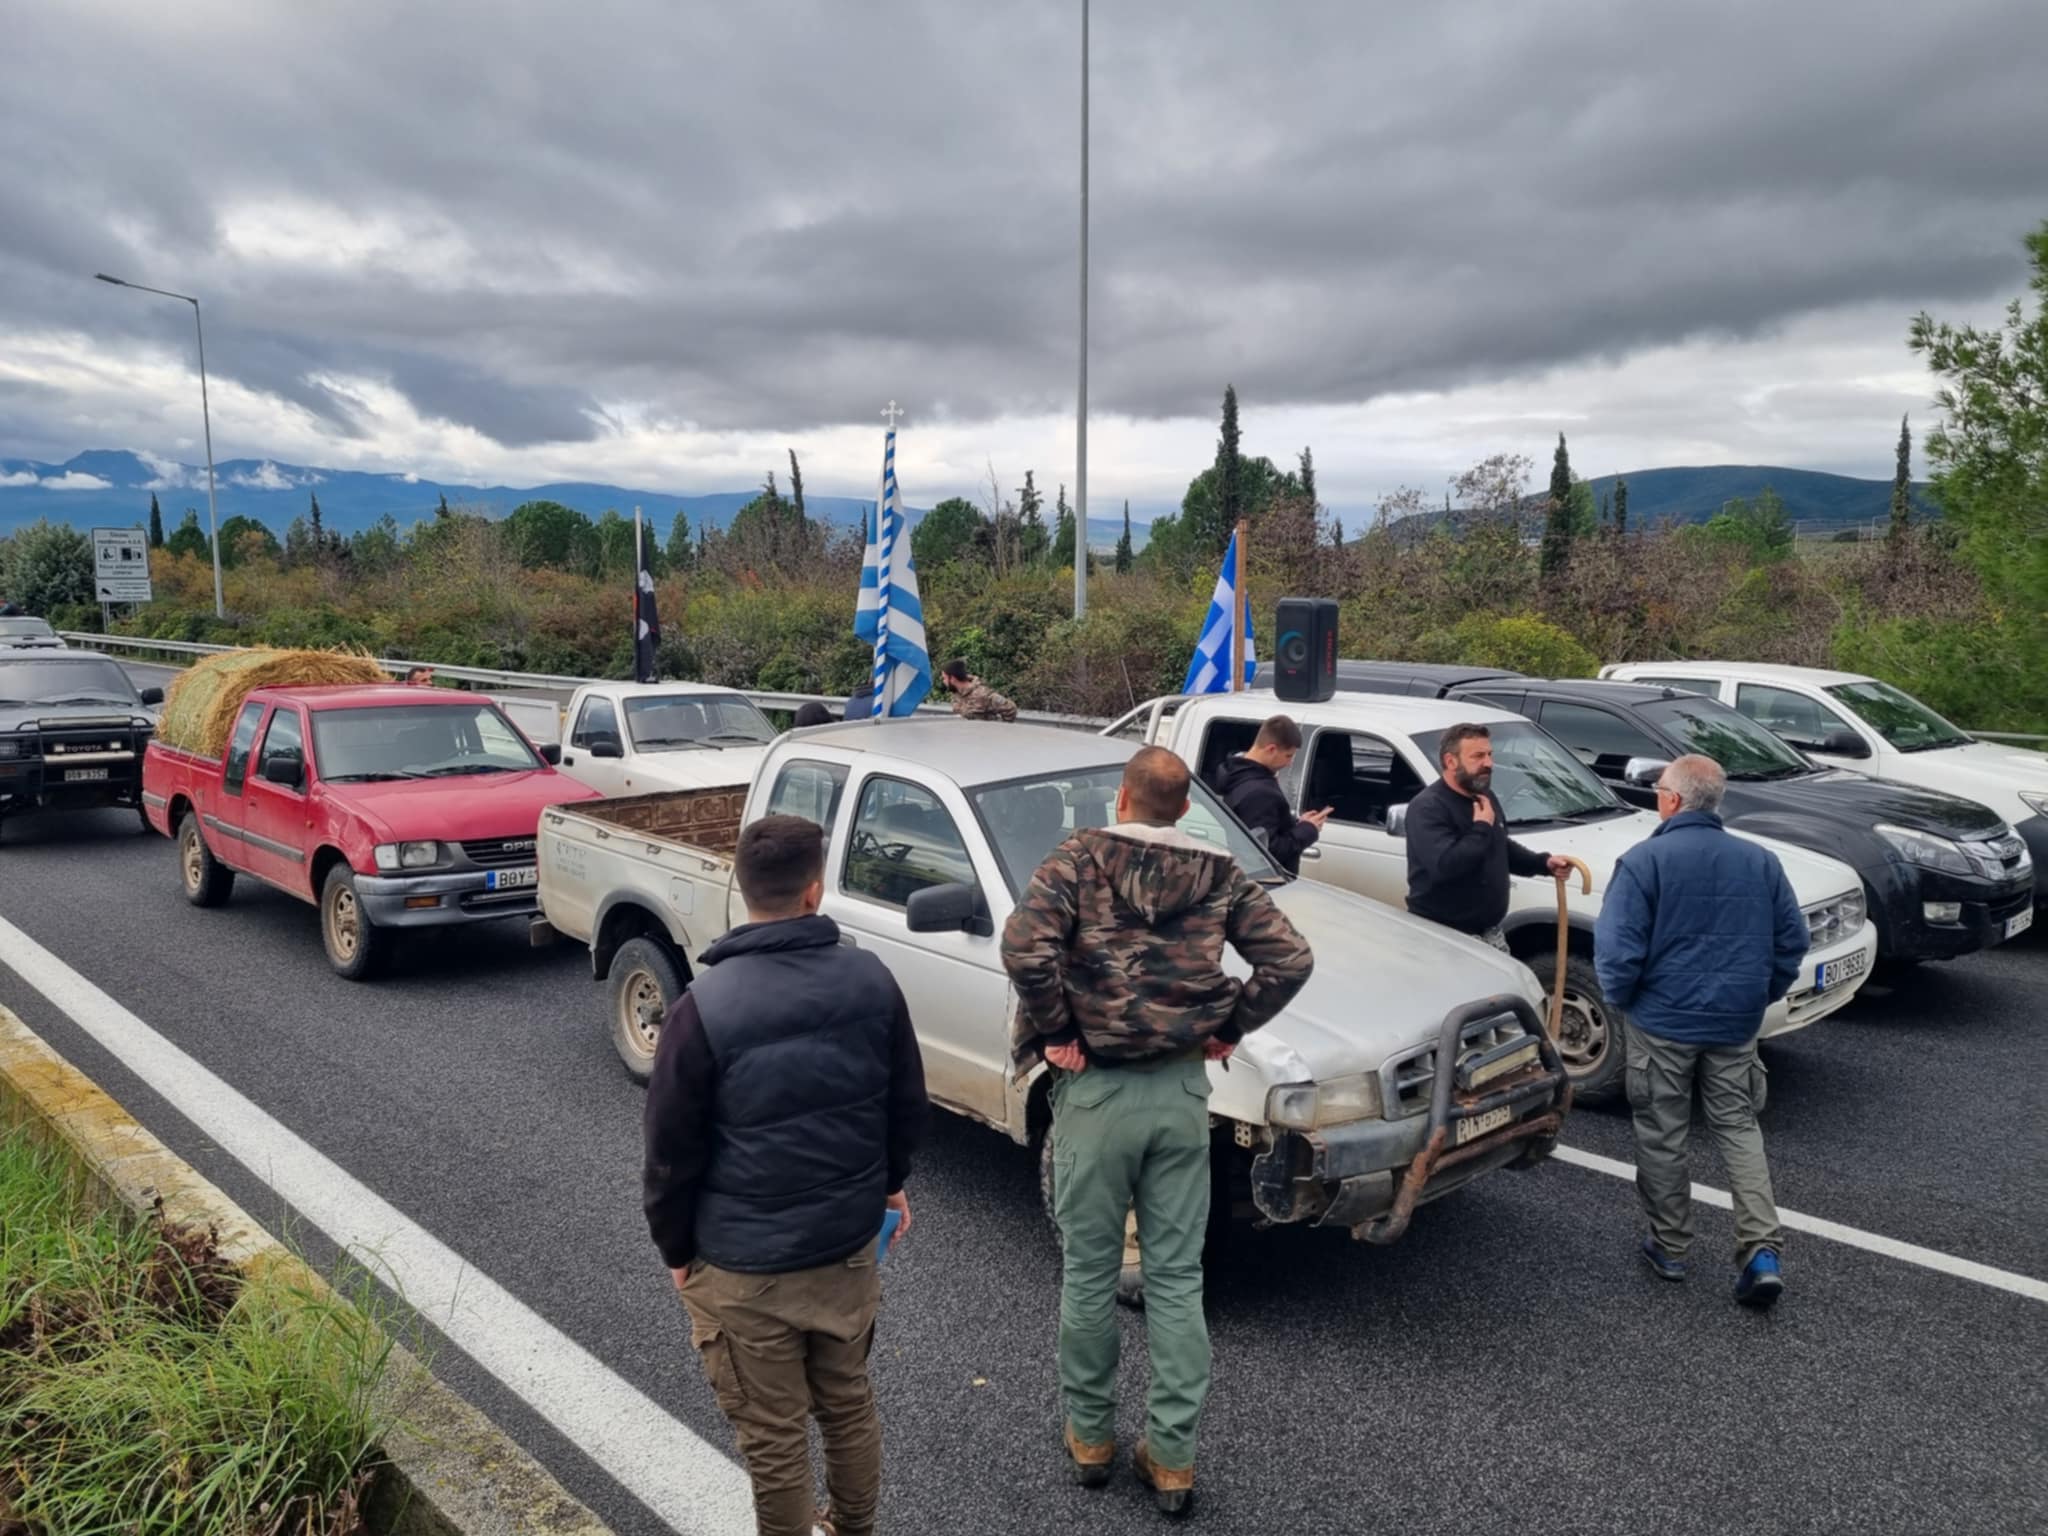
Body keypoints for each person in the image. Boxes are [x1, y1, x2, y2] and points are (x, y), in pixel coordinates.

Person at [1001, 746, 1312, 1517]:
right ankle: (1171, 1458)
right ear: (1183, 807)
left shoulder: (1077, 859)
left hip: (1097, 1091)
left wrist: (1054, 1032)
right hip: (1178, 1090)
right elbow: (1291, 959)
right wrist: (1230, 1026)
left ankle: (1091, 1439)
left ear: (1122, 798)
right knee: (1176, 1279)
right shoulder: (1220, 874)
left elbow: (1023, 946)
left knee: (1089, 1271)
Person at [644, 815, 929, 1536]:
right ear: (815, 890)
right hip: (845, 1244)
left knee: (774, 1440)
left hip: (743, 1264)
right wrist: (888, 1184)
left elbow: (670, 1153)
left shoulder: (701, 1007)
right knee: (848, 1404)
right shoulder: (872, 979)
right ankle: (854, 1528)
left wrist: (677, 1251)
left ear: (742, 890)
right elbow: (904, 1102)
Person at [1594, 755, 1805, 1309]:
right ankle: (1761, 1250)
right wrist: (1759, 993)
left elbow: (1617, 954)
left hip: (1662, 1021)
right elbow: (1792, 942)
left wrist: (1625, 1003)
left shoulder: (1644, 861)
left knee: (1663, 1129)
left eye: (1660, 790)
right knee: (1738, 1127)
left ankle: (1670, 1247)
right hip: (1735, 1022)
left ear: (1671, 800)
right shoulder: (1760, 861)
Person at [1405, 722, 1570, 949]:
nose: (1489, 763)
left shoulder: (1483, 796)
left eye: (1490, 755)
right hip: (1445, 935)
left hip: (1490, 932)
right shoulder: (1428, 808)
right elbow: (1446, 866)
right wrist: (1481, 826)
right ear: (1451, 761)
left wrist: (1543, 863)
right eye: (1478, 756)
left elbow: (1497, 846)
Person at [1209, 715, 1330, 877]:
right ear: (1271, 749)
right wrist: (1308, 830)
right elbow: (1267, 852)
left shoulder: (1237, 775)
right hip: (1269, 884)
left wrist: (1297, 825)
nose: (1289, 763)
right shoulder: (1260, 793)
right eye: (1288, 756)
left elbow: (1264, 829)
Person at [939, 659, 1018, 722]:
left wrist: (999, 729)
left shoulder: (983, 694)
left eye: (944, 678)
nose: (943, 682)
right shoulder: (956, 695)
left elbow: (1010, 709)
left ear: (952, 678)